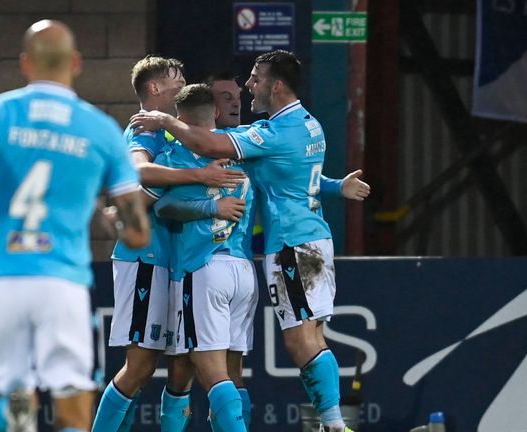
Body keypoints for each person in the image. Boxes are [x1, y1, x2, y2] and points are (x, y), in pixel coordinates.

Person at [132, 50, 370, 432]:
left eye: (255, 79)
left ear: (276, 85)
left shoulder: (261, 136)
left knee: (277, 347)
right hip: (293, 248)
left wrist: (163, 121)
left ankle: (333, 424)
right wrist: (338, 186)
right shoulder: (308, 126)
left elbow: (186, 173)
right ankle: (332, 423)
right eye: (229, 96)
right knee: (296, 340)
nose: (247, 86)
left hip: (265, 250)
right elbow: (299, 177)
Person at [0, 19, 149, 432]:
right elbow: (135, 223)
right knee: (72, 396)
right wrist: (124, 228)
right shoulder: (100, 129)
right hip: (60, 279)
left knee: (12, 394)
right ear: (76, 63)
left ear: (24, 64)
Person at [93, 56, 245, 432]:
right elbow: (137, 173)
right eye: (175, 77)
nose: (182, 82)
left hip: (175, 261)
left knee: (182, 365)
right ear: (154, 88)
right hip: (145, 257)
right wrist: (198, 176)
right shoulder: (143, 131)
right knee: (141, 364)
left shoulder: (171, 131)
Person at [151, 83, 255, 431]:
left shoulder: (175, 155)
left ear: (179, 120)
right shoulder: (243, 144)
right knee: (231, 369)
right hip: (242, 268)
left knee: (207, 372)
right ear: (214, 112)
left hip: (203, 267)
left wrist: (211, 205)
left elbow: (164, 205)